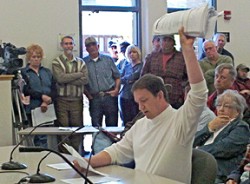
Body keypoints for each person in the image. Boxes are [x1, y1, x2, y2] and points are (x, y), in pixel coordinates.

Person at [74, 27, 208, 184]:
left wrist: (187, 49)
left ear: (160, 95)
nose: (140, 108)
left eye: (144, 101)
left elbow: (199, 93)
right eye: (138, 102)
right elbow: (117, 151)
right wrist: (87, 162)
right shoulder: (141, 125)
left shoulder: (181, 121)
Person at [194, 89, 250, 183]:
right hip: (197, 165)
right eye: (219, 105)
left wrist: (194, 153)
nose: (221, 109)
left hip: (217, 172)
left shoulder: (241, 127)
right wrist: (208, 128)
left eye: (227, 106)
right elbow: (192, 141)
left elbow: (223, 149)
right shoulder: (214, 123)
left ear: (237, 110)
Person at [52, 35, 88, 154]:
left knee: (77, 128)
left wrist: (67, 78)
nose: (68, 46)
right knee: (63, 129)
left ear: (74, 45)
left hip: (77, 100)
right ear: (62, 45)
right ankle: (65, 156)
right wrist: (78, 74)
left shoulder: (81, 62)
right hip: (62, 100)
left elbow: (85, 79)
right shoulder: (56, 62)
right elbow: (60, 78)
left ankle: (76, 154)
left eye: (70, 43)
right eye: (66, 43)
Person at [21, 44, 55, 147]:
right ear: (29, 58)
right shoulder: (24, 73)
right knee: (35, 136)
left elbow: (53, 88)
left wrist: (46, 100)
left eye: (38, 57)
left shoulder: (47, 72)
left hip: (46, 106)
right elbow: (26, 90)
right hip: (32, 107)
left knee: (43, 136)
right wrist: (41, 96)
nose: (36, 59)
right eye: (34, 57)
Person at [141, 34, 188, 109]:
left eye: (169, 40)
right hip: (155, 98)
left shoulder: (182, 57)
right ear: (160, 42)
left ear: (173, 42)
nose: (166, 43)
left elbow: (189, 77)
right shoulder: (151, 57)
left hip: (176, 99)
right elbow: (143, 77)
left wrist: (183, 90)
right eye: (164, 40)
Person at [83, 36, 121, 127]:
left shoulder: (108, 59)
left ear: (98, 46)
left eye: (93, 44)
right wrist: (88, 95)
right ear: (86, 49)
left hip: (109, 97)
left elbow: (118, 77)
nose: (92, 47)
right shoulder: (83, 63)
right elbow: (82, 82)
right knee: (96, 128)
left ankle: (113, 142)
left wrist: (116, 90)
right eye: (89, 45)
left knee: (112, 127)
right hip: (94, 99)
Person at [119, 44, 143, 126]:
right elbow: (120, 79)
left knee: (136, 120)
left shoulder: (142, 66)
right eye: (129, 53)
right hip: (124, 96)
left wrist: (128, 79)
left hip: (136, 97)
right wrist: (129, 79)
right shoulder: (126, 66)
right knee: (125, 120)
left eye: (134, 52)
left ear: (138, 53)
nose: (132, 54)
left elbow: (135, 76)